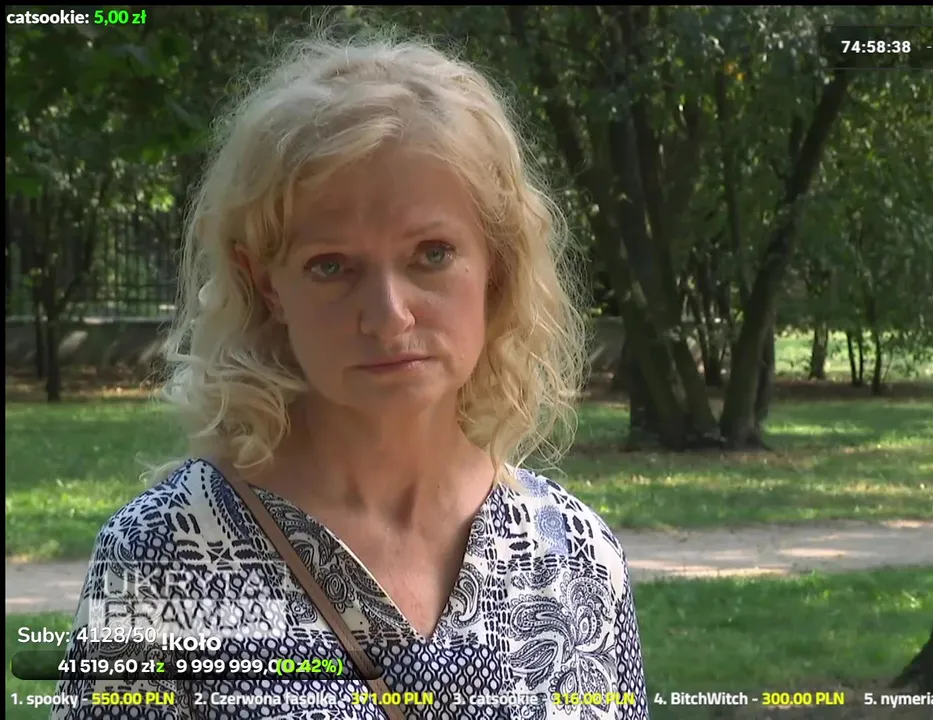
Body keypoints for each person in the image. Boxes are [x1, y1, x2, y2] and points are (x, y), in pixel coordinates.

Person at [53, 31, 648, 719]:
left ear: (498, 264)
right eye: (331, 265)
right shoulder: (163, 557)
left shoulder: (574, 557)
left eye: (431, 253)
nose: (389, 317)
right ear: (266, 285)